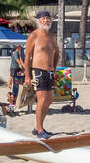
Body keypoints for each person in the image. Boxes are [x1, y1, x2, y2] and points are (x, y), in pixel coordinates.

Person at [24, 10, 63, 139]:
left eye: (48, 18)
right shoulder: (34, 35)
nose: (46, 21)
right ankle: (40, 129)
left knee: (49, 99)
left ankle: (37, 127)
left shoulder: (52, 36)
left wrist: (55, 67)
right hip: (38, 71)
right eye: (43, 19)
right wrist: (27, 76)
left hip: (50, 72)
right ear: (38, 21)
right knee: (41, 99)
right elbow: (28, 56)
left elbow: (56, 53)